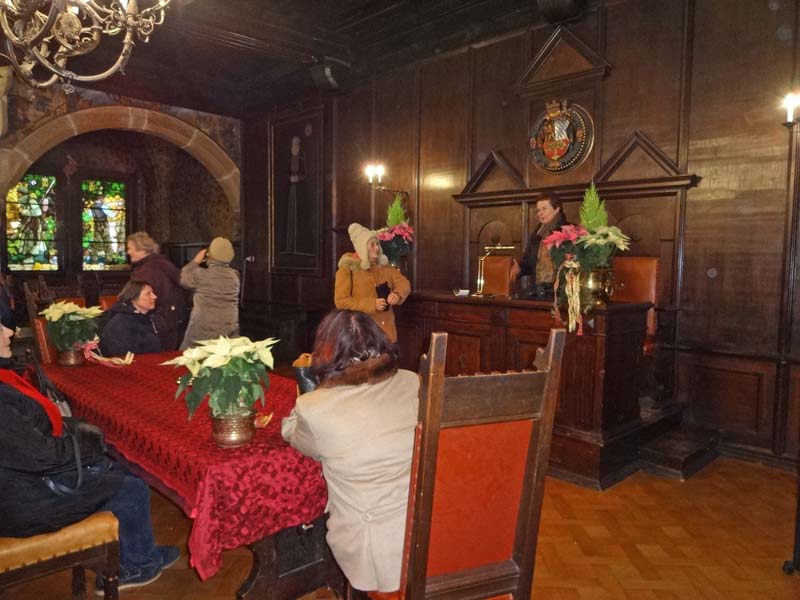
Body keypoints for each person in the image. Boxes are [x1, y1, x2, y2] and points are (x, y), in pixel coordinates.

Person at [0, 321, 180, 592]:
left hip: (22, 484)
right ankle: (138, 566)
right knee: (132, 490)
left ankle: (136, 554)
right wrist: (88, 446)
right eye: (0, 328)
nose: (10, 332)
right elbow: (40, 455)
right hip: (22, 504)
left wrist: (80, 436)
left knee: (117, 468)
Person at [282, 309, 419, 596]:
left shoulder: (314, 407)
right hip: (428, 530)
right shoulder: (412, 381)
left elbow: (296, 438)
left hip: (373, 551)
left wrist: (304, 401)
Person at [334, 223, 411, 342]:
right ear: (362, 247)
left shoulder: (385, 267)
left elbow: (404, 283)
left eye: (377, 244)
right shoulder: (347, 270)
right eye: (372, 245)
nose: (377, 248)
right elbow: (341, 301)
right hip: (360, 336)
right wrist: (372, 304)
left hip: (387, 335)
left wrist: (397, 294)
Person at [126, 231, 186, 350]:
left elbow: (140, 301)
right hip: (171, 321)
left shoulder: (146, 271)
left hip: (155, 325)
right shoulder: (163, 264)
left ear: (142, 250)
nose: (128, 252)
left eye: (130, 248)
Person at [179, 237, 240, 350]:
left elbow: (183, 278)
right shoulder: (235, 276)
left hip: (202, 332)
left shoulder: (201, 275)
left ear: (209, 254)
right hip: (228, 331)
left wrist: (195, 261)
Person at [510, 194, 568, 298]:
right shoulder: (537, 234)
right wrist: (520, 269)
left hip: (560, 294)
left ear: (557, 209)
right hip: (536, 291)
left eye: (544, 209)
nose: (540, 213)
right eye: (538, 210)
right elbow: (528, 262)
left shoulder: (569, 231)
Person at [100, 280, 162, 357]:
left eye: (153, 292)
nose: (154, 296)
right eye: (148, 294)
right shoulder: (121, 323)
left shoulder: (153, 317)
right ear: (133, 298)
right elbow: (123, 355)